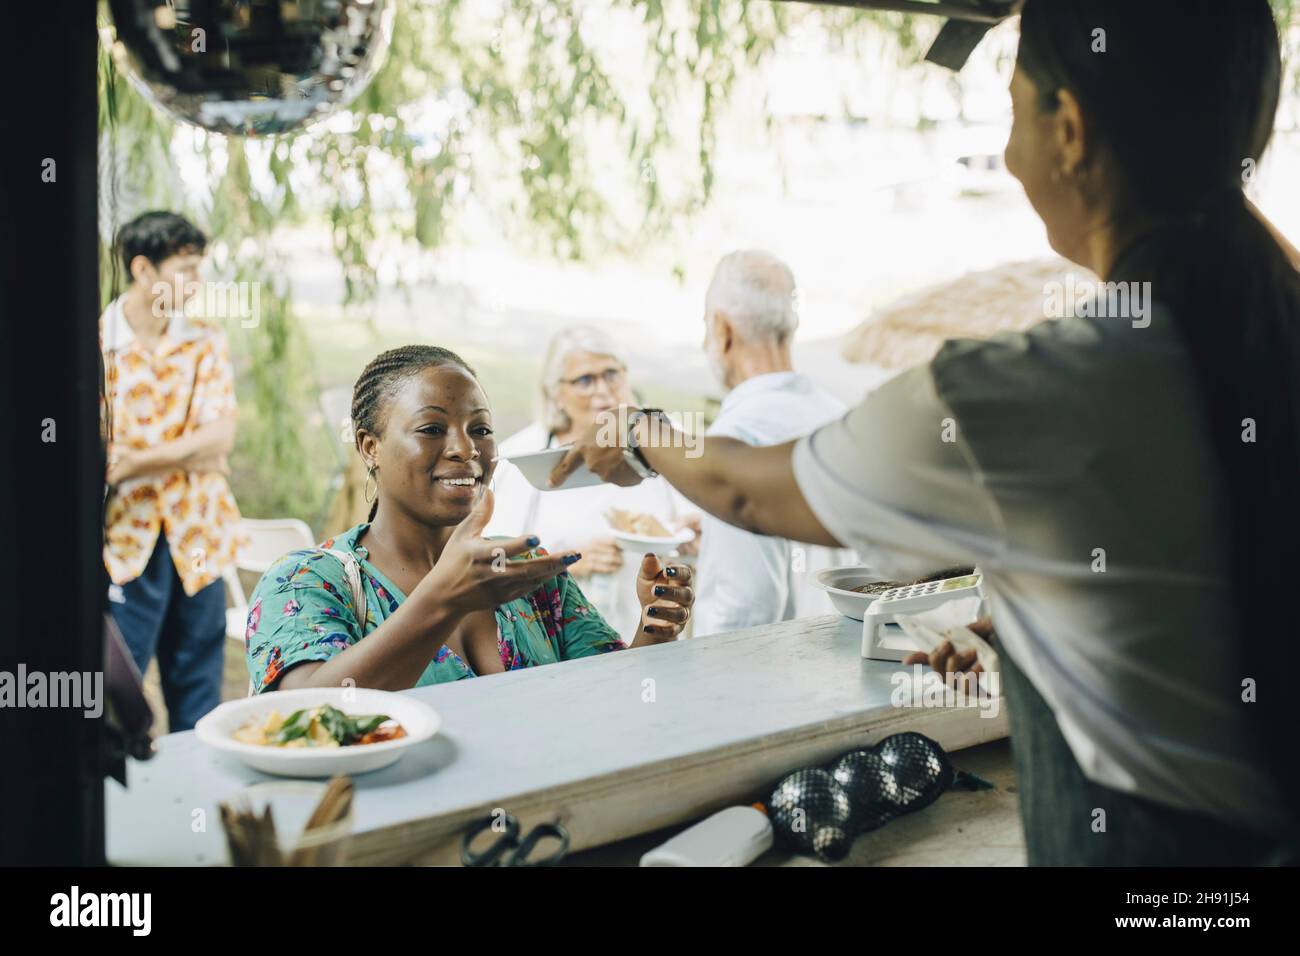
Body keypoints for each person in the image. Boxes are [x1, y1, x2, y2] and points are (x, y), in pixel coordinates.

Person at [550, 0, 1300, 864]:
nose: (1009, 152)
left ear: (1069, 131)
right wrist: (1032, 625)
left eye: (1013, 105)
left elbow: (747, 488)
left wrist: (643, 427)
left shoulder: (1024, 392)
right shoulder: (1257, 337)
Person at [244, 345, 693, 693]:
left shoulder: (524, 569)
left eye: (480, 429)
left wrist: (653, 628)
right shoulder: (305, 581)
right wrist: (444, 600)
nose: (466, 449)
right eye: (431, 429)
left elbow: (604, 699)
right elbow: (302, 716)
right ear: (369, 447)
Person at [102, 211, 243, 732]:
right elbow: (97, 456)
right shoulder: (98, 343)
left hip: (198, 533)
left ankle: (195, 808)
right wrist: (191, 452)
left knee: (198, 694)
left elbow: (220, 438)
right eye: (184, 269)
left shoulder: (205, 340)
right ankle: (113, 809)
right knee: (116, 688)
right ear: (143, 270)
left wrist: (137, 461)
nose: (196, 283)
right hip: (125, 541)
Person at [486, 325, 697, 638]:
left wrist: (695, 536)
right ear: (556, 393)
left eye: (611, 374)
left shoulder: (664, 438)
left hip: (656, 637)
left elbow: (706, 520)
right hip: (561, 643)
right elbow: (496, 563)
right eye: (585, 380)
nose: (603, 390)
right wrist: (566, 566)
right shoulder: (525, 459)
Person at [692, 250, 852, 636]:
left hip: (773, 682)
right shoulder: (839, 415)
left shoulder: (736, 437)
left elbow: (744, 608)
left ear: (721, 329)